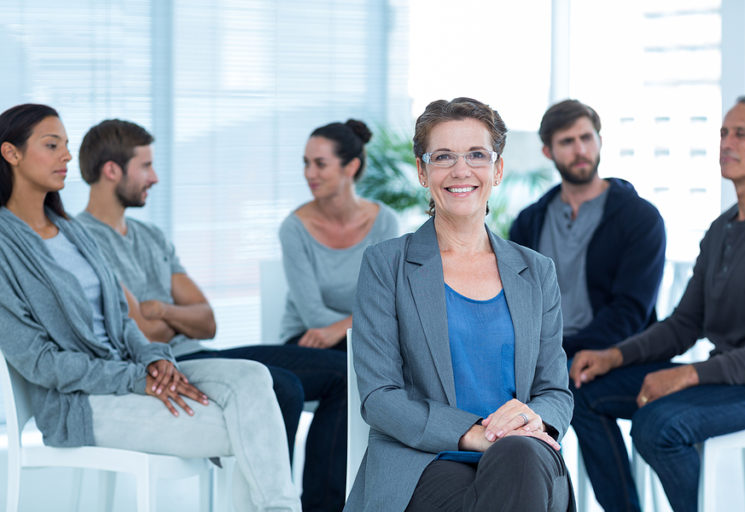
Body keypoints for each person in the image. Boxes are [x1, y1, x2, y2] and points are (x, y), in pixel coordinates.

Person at [0, 103, 299, 511]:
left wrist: (155, 360)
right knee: (250, 429)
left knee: (253, 378)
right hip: (79, 402)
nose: (67, 156)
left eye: (67, 145)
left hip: (135, 373)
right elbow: (40, 364)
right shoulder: (5, 246)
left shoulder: (70, 232)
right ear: (10, 153)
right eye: (52, 145)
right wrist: (135, 378)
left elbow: (121, 321)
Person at [76, 119, 346, 512]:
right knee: (282, 386)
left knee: (343, 373)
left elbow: (207, 320)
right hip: (166, 365)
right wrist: (171, 315)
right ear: (112, 170)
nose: (154, 177)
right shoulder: (81, 241)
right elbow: (143, 331)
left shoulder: (151, 237)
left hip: (200, 350)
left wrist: (162, 310)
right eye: (145, 166)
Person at [345, 97, 574, 512]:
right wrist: (471, 434)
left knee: (517, 459)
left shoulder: (536, 271)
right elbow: (379, 395)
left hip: (521, 453)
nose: (461, 170)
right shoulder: (386, 265)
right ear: (422, 171)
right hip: (423, 460)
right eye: (443, 156)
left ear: (497, 169)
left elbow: (554, 390)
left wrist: (531, 420)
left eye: (476, 155)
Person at [569, 95, 745, 512]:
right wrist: (613, 357)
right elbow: (684, 325)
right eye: (723, 133)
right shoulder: (721, 230)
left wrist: (688, 376)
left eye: (742, 134)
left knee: (658, 425)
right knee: (585, 392)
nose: (726, 143)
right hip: (727, 377)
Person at [509, 99, 666, 359]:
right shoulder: (528, 223)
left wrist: (564, 354)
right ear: (548, 152)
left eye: (586, 138)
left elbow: (630, 312)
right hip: (539, 357)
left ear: (600, 141)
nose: (580, 150)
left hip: (613, 356)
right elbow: (516, 303)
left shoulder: (641, 218)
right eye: (567, 142)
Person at [279, 119, 399, 350]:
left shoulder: (385, 222)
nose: (309, 173)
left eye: (320, 164)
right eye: (306, 163)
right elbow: (314, 316)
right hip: (309, 340)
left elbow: (389, 302)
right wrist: (360, 326)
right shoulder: (294, 228)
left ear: (351, 167)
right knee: (358, 371)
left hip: (367, 339)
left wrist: (344, 327)